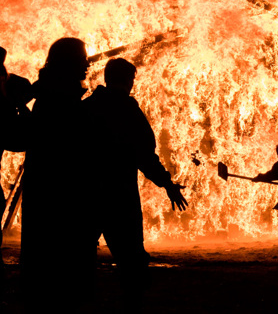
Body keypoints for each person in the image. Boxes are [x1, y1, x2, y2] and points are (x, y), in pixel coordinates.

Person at [81, 57, 187, 308]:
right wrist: (167, 183)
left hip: (86, 195)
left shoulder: (85, 108)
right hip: (119, 196)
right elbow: (144, 154)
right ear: (128, 80)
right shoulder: (127, 110)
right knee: (131, 259)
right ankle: (132, 304)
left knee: (80, 256)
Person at [20, 37, 95, 313]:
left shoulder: (51, 95)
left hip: (53, 197)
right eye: (82, 58)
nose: (87, 63)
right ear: (69, 63)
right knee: (59, 284)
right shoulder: (59, 100)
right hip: (60, 201)